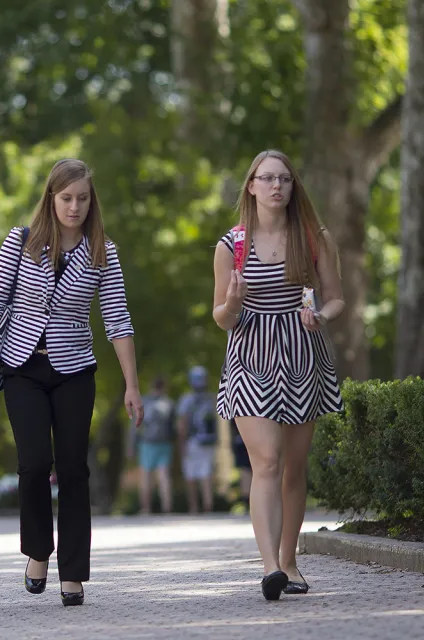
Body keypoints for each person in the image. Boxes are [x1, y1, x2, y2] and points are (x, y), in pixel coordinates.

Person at [0, 158, 144, 607]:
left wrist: (132, 385)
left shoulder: (103, 250)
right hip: (23, 368)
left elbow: (117, 319)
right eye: (66, 198)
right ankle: (37, 552)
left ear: (92, 201)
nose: (74, 207)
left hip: (74, 371)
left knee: (73, 469)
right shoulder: (22, 241)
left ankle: (73, 572)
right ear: (51, 198)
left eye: (82, 199)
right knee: (33, 464)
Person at [213, 149, 344, 601]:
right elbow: (221, 317)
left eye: (284, 180)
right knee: (265, 460)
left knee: (293, 467)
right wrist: (232, 301)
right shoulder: (231, 246)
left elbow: (335, 298)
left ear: (293, 187)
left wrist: (322, 317)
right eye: (267, 179)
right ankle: (269, 567)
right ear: (251, 186)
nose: (276, 187)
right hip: (249, 356)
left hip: (301, 354)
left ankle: (290, 561)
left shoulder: (314, 238)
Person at [127, 376, 175, 514]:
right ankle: (167, 507)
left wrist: (131, 447)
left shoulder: (144, 402)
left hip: (147, 442)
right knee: (164, 476)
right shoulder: (169, 403)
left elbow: (135, 426)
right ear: (164, 387)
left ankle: (146, 508)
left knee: (146, 476)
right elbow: (173, 427)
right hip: (165, 443)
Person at [177, 366, 217, 515]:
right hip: (209, 441)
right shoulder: (212, 399)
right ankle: (208, 504)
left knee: (191, 474)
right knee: (206, 473)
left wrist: (181, 444)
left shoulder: (186, 399)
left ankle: (194, 507)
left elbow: (182, 424)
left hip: (192, 441)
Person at [230, 418, 252, 511]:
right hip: (242, 442)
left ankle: (247, 500)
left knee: (246, 470)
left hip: (240, 440)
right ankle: (247, 500)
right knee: (246, 470)